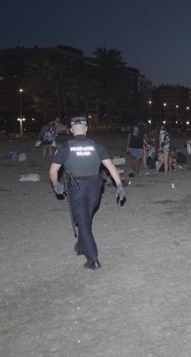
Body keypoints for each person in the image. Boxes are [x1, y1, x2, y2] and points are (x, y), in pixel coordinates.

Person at [49, 115, 126, 271]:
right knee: (86, 217)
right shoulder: (96, 146)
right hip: (95, 188)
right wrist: (119, 185)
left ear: (71, 130)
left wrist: (56, 184)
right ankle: (81, 245)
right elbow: (110, 166)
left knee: (83, 221)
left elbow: (53, 171)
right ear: (86, 129)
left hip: (76, 188)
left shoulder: (65, 148)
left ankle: (93, 259)